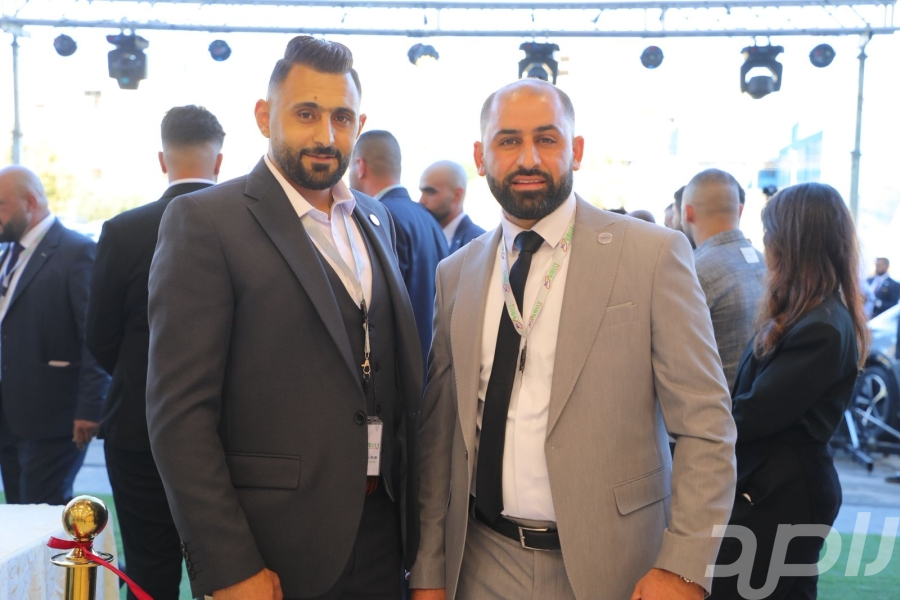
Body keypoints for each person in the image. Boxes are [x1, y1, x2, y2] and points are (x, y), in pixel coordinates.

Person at [410, 79, 737, 600]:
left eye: (547, 139)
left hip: (617, 566)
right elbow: (440, 438)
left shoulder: (651, 255)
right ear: (481, 157)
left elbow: (706, 427)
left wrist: (683, 567)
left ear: (576, 151)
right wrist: (429, 571)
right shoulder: (457, 274)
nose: (528, 158)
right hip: (480, 563)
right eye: (508, 141)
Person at [146, 36, 421, 600]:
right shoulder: (205, 221)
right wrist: (229, 564)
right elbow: (180, 416)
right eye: (306, 113)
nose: (326, 135)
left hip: (384, 537)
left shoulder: (376, 218)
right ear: (264, 116)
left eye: (341, 118)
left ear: (359, 124)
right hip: (273, 549)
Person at [85, 105, 225, 599]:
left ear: (163, 160)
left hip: (138, 425)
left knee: (148, 566)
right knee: (231, 567)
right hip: (226, 429)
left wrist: (142, 375)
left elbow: (99, 336)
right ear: (219, 161)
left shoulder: (123, 230)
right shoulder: (248, 227)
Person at [709, 183, 869, 600]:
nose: (765, 244)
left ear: (792, 243)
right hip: (775, 487)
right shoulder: (807, 314)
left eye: (770, 233)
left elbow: (755, 413)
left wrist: (690, 429)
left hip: (783, 495)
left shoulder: (821, 325)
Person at [0, 165, 108, 505]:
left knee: (44, 518)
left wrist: (90, 408)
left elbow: (95, 336)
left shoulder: (77, 251)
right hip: (9, 417)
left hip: (54, 420)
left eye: (1, 205)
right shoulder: (8, 254)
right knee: (16, 516)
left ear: (30, 202)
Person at [349, 130, 448, 366]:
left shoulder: (379, 219)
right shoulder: (428, 218)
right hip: (433, 364)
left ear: (360, 166)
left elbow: (377, 309)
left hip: (399, 369)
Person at [681, 169, 766, 389]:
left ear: (688, 213)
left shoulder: (692, 272)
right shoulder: (766, 263)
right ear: (740, 210)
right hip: (755, 400)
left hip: (711, 405)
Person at [418, 160, 485, 253]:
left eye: (430, 192)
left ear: (457, 195)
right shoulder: (424, 238)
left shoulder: (479, 243)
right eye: (422, 192)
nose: (421, 201)